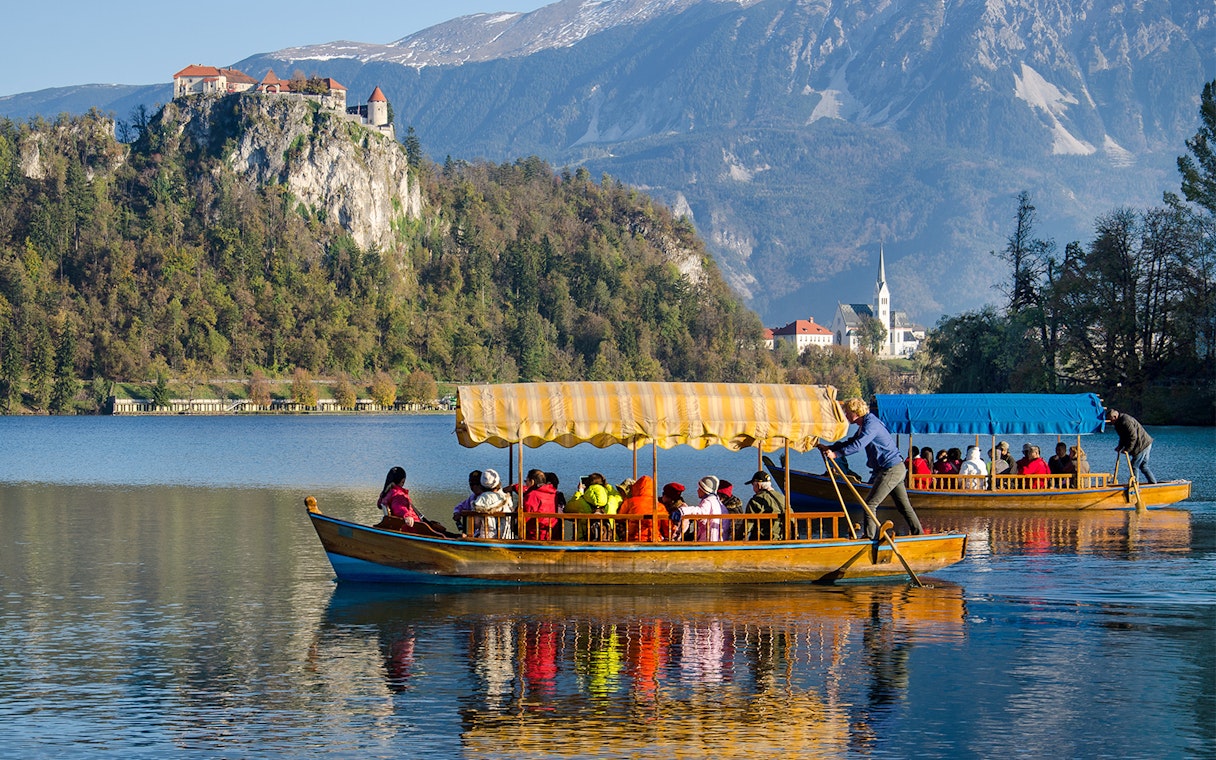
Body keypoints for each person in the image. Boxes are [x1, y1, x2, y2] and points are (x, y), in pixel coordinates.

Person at [816, 397, 923, 538]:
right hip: (895, 468)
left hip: (891, 469)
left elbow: (859, 445)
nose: (846, 416)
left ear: (856, 412)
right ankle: (919, 534)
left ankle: (870, 538)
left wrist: (836, 454)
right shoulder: (864, 425)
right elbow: (852, 441)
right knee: (903, 506)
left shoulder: (871, 424)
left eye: (848, 413)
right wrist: (831, 447)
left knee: (870, 505)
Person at [1107, 408, 1156, 484]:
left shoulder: (1126, 421)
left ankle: (1134, 485)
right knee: (1143, 466)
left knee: (1134, 465)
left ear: (1115, 417)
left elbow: (1133, 436)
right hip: (1144, 443)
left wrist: (1128, 449)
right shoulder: (1117, 424)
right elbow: (1123, 436)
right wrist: (1120, 446)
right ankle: (1153, 483)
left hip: (1142, 444)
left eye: (1111, 420)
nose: (1111, 422)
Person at [675, 476, 728, 542]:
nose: (697, 490)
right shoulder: (719, 503)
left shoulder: (708, 501)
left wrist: (682, 511)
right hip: (720, 538)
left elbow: (701, 512)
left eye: (699, 489)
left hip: (709, 539)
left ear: (704, 490)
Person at [619, 475, 669, 541]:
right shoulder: (658, 505)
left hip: (633, 538)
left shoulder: (629, 502)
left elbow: (620, 517)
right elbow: (666, 525)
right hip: (653, 538)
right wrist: (667, 535)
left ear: (636, 487)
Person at [472, 469, 515, 539]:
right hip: (505, 536)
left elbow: (477, 523)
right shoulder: (506, 498)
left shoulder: (479, 500)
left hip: (485, 536)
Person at [743, 471, 784, 540]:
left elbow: (747, 525)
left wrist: (737, 539)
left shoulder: (755, 501)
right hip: (781, 538)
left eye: (753, 485)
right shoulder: (782, 498)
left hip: (762, 540)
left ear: (759, 485)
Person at [520, 469, 559, 540]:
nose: (526, 484)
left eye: (526, 481)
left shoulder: (532, 495)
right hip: (551, 531)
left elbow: (526, 516)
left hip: (535, 533)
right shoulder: (553, 493)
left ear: (532, 481)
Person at [453, 469, 484, 535]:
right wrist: (457, 513)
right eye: (472, 484)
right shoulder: (472, 497)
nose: (474, 487)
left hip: (487, 533)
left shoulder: (487, 497)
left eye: (477, 484)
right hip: (475, 533)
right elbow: (460, 506)